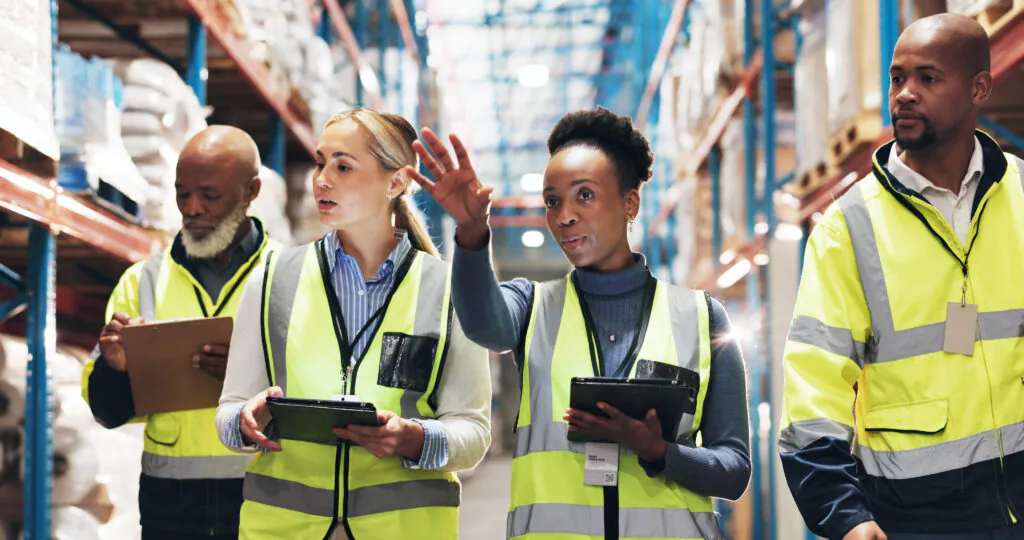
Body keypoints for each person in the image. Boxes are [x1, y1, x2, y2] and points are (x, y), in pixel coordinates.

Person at [409, 107, 751, 540]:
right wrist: (472, 233)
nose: (564, 215)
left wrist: (659, 451)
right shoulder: (532, 306)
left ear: (630, 203)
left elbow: (734, 470)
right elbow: (483, 324)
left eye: (584, 195)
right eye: (552, 201)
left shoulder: (701, 318)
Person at [778, 13, 1024, 540]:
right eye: (897, 78)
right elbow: (813, 391)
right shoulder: (848, 228)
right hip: (914, 519)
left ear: (979, 86)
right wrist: (845, 516)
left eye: (927, 78)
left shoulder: (1023, 196)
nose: (905, 94)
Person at [216, 108, 492, 540]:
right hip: (286, 529)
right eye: (321, 162)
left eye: (343, 166)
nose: (322, 179)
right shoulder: (272, 278)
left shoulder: (448, 291)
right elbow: (229, 411)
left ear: (395, 182)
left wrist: (412, 438)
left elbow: (473, 433)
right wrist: (243, 422)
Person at [82, 126, 275, 540]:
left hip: (268, 503)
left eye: (209, 195)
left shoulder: (290, 276)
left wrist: (251, 377)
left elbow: (327, 390)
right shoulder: (142, 281)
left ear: (251, 191)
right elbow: (105, 412)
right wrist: (117, 370)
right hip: (170, 510)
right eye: (182, 193)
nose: (192, 208)